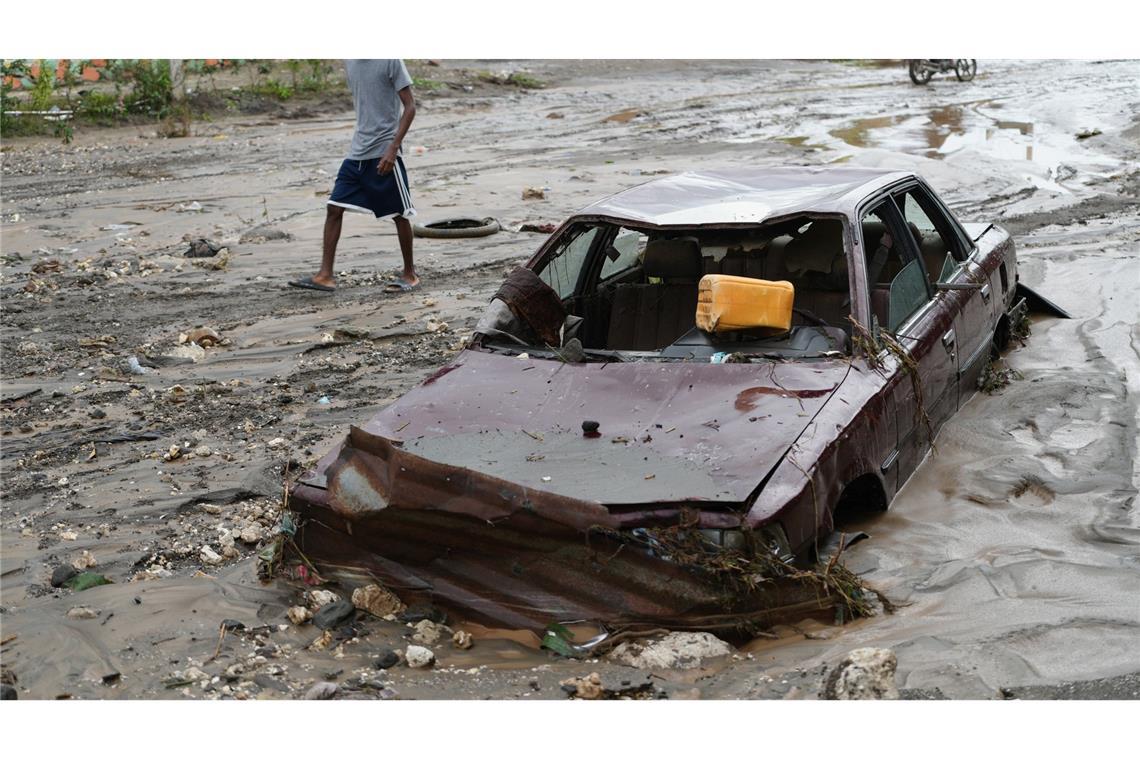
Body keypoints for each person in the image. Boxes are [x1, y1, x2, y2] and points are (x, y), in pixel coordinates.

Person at [289, 59, 418, 293]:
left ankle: (410, 274)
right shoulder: (350, 62)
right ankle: (325, 276)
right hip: (357, 152)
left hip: (384, 152)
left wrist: (393, 147)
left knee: (399, 214)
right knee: (334, 207)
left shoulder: (390, 60)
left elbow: (410, 106)